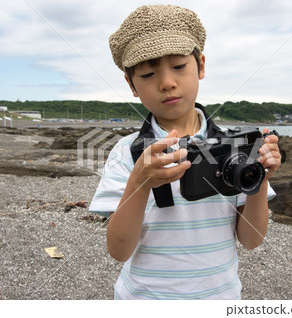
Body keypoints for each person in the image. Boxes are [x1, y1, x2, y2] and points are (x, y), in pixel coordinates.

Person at [89, 4, 281, 300]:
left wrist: (259, 176)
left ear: (201, 66)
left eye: (179, 66)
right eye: (149, 73)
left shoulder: (235, 149)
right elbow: (118, 250)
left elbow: (252, 240)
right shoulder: (127, 152)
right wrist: (140, 182)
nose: (167, 82)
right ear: (131, 84)